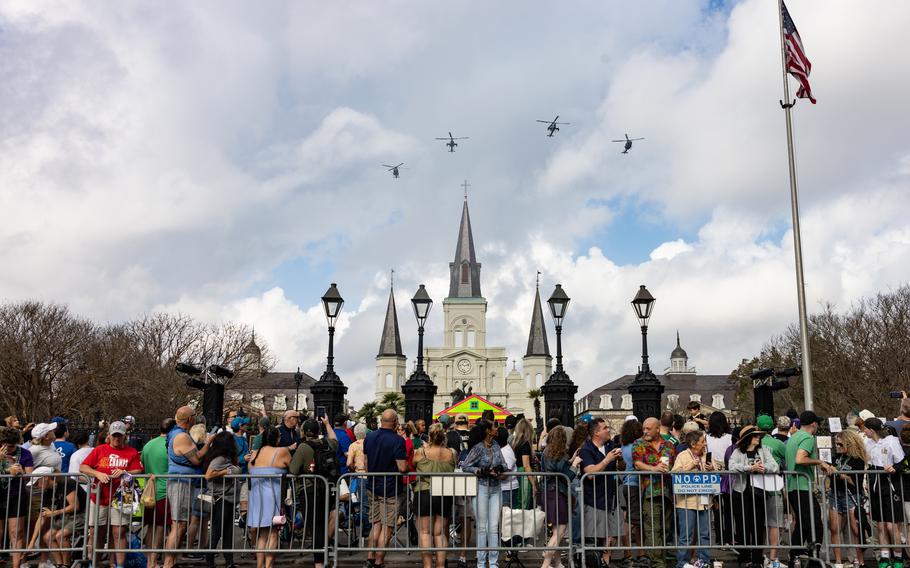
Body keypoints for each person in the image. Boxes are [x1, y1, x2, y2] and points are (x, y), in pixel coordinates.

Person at [80, 420, 143, 568]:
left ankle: (119, 565)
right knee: (96, 532)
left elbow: (139, 470)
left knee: (118, 532)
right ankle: (94, 564)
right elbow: (83, 467)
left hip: (122, 497)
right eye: (114, 436)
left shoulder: (131, 452)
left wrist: (124, 472)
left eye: (119, 436)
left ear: (124, 436)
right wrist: (97, 473)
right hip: (99, 497)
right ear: (109, 436)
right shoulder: (99, 450)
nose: (116, 439)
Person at [163, 406, 214, 568]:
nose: (195, 418)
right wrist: (209, 442)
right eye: (194, 416)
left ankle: (172, 561)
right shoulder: (182, 436)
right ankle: (168, 563)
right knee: (179, 525)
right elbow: (197, 459)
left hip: (183, 483)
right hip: (181, 483)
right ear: (189, 419)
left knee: (180, 524)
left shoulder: (177, 434)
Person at [785, 410, 835, 564]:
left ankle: (795, 558)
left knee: (802, 524)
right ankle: (814, 558)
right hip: (802, 486)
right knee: (815, 524)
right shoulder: (807, 437)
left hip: (793, 486)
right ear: (813, 424)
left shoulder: (793, 437)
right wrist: (820, 462)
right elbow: (800, 459)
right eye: (817, 423)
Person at [289, 416, 339, 568]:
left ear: (304, 432)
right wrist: (327, 424)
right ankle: (325, 558)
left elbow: (293, 470)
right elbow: (335, 439)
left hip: (310, 490)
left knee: (315, 528)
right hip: (327, 489)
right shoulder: (328, 443)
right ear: (318, 431)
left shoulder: (303, 447)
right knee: (323, 526)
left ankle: (319, 562)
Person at [363, 409, 408, 568]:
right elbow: (402, 467)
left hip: (372, 485)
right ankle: (379, 561)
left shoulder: (369, 437)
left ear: (381, 420)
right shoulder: (398, 440)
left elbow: (366, 463)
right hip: (390, 487)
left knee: (375, 524)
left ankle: (370, 557)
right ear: (395, 422)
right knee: (387, 526)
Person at [729, 425, 779, 568]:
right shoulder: (738, 452)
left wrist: (764, 468)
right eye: (755, 436)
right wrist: (750, 468)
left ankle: (757, 559)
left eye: (759, 436)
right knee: (742, 526)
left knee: (757, 526)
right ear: (748, 439)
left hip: (758, 493)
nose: (758, 438)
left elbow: (774, 466)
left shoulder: (763, 451)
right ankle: (744, 558)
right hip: (741, 493)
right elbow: (731, 466)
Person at [632, 417, 677, 568]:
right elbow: (637, 464)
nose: (645, 431)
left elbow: (675, 464)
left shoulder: (669, 445)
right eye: (644, 428)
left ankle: (661, 558)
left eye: (648, 429)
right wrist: (653, 469)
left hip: (668, 492)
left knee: (665, 528)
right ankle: (657, 563)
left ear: (658, 429)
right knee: (652, 529)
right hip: (650, 492)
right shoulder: (639, 444)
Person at [462, 419, 506, 568]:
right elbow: (466, 466)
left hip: (495, 487)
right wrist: (480, 471)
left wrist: (500, 469)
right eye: (494, 426)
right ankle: (481, 563)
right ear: (488, 430)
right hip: (481, 487)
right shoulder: (478, 448)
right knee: (482, 527)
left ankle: (493, 563)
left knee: (494, 527)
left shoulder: (496, 445)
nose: (497, 428)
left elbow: (504, 464)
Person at [580, 418, 624, 568]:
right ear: (596, 433)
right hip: (594, 499)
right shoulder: (586, 449)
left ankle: (606, 561)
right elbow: (590, 473)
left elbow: (621, 467)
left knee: (612, 534)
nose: (608, 430)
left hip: (612, 497)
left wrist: (620, 459)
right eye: (605, 428)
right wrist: (607, 460)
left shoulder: (610, 445)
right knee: (596, 535)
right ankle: (596, 562)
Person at [412, 423, 457, 568]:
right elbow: (454, 466)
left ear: (430, 437)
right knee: (440, 533)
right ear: (443, 436)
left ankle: (427, 565)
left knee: (425, 532)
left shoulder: (421, 452)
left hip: (424, 492)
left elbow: (412, 464)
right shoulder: (451, 453)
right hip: (444, 493)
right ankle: (440, 565)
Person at [671, 429, 717, 568]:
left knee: (705, 534)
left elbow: (717, 473)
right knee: (686, 536)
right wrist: (690, 466)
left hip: (704, 501)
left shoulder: (707, 456)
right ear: (693, 443)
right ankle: (682, 563)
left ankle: (705, 561)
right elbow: (674, 473)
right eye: (702, 442)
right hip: (686, 502)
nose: (705, 444)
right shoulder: (682, 456)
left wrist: (712, 469)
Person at [863, 417, 905, 568]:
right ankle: (885, 558)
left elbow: (902, 463)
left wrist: (894, 468)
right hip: (874, 486)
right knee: (880, 526)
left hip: (890, 486)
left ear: (872, 430)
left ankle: (899, 557)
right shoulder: (867, 442)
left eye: (865, 429)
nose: (864, 431)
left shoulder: (891, 441)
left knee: (891, 526)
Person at [248, 426, 292, 568]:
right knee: (273, 533)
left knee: (262, 535)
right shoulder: (282, 451)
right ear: (277, 438)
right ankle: (268, 566)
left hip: (256, 496)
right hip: (272, 496)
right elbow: (292, 466)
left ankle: (260, 566)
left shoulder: (255, 453)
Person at [538, 425, 580, 568]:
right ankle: (545, 564)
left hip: (547, 493)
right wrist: (574, 464)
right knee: (560, 532)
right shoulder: (561, 454)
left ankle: (558, 563)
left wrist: (570, 460)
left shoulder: (546, 452)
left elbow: (557, 467)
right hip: (557, 493)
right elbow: (567, 476)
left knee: (556, 531)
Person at [828, 429, 868, 568]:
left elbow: (855, 482)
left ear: (849, 443)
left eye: (840, 444)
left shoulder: (858, 460)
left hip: (851, 495)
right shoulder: (836, 457)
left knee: (855, 528)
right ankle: (838, 561)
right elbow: (831, 474)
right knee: (834, 528)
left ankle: (860, 560)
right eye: (836, 444)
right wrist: (828, 470)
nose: (837, 447)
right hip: (835, 494)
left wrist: (842, 475)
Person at [203, 431, 241, 568]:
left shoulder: (225, 458)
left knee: (227, 531)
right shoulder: (220, 459)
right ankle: (210, 559)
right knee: (217, 530)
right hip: (221, 498)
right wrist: (226, 472)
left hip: (228, 499)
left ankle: (229, 560)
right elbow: (209, 475)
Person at [141, 418, 175, 568]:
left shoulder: (148, 444)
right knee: (160, 527)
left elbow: (143, 464)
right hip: (163, 490)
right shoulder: (171, 445)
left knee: (151, 526)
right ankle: (153, 562)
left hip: (149, 490)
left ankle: (150, 560)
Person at [0, 426, 34, 568]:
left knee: (16, 532)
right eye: (6, 446)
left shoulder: (25, 453)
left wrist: (20, 471)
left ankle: (16, 566)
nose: (9, 449)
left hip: (16, 495)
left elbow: (30, 476)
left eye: (12, 446)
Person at [756, 415, 787, 568]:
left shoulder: (754, 442)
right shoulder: (778, 443)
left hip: (757, 488)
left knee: (759, 523)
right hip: (774, 488)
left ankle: (760, 556)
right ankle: (773, 558)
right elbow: (787, 461)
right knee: (775, 524)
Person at [620, 418, 645, 568]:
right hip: (634, 484)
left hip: (627, 483)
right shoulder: (635, 447)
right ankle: (631, 552)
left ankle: (634, 552)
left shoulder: (624, 446)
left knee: (632, 519)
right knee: (633, 521)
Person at [510, 417, 538, 507]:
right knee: (524, 502)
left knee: (519, 502)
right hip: (523, 475)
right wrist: (533, 483)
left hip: (516, 472)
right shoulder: (525, 444)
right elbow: (526, 465)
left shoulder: (515, 443)